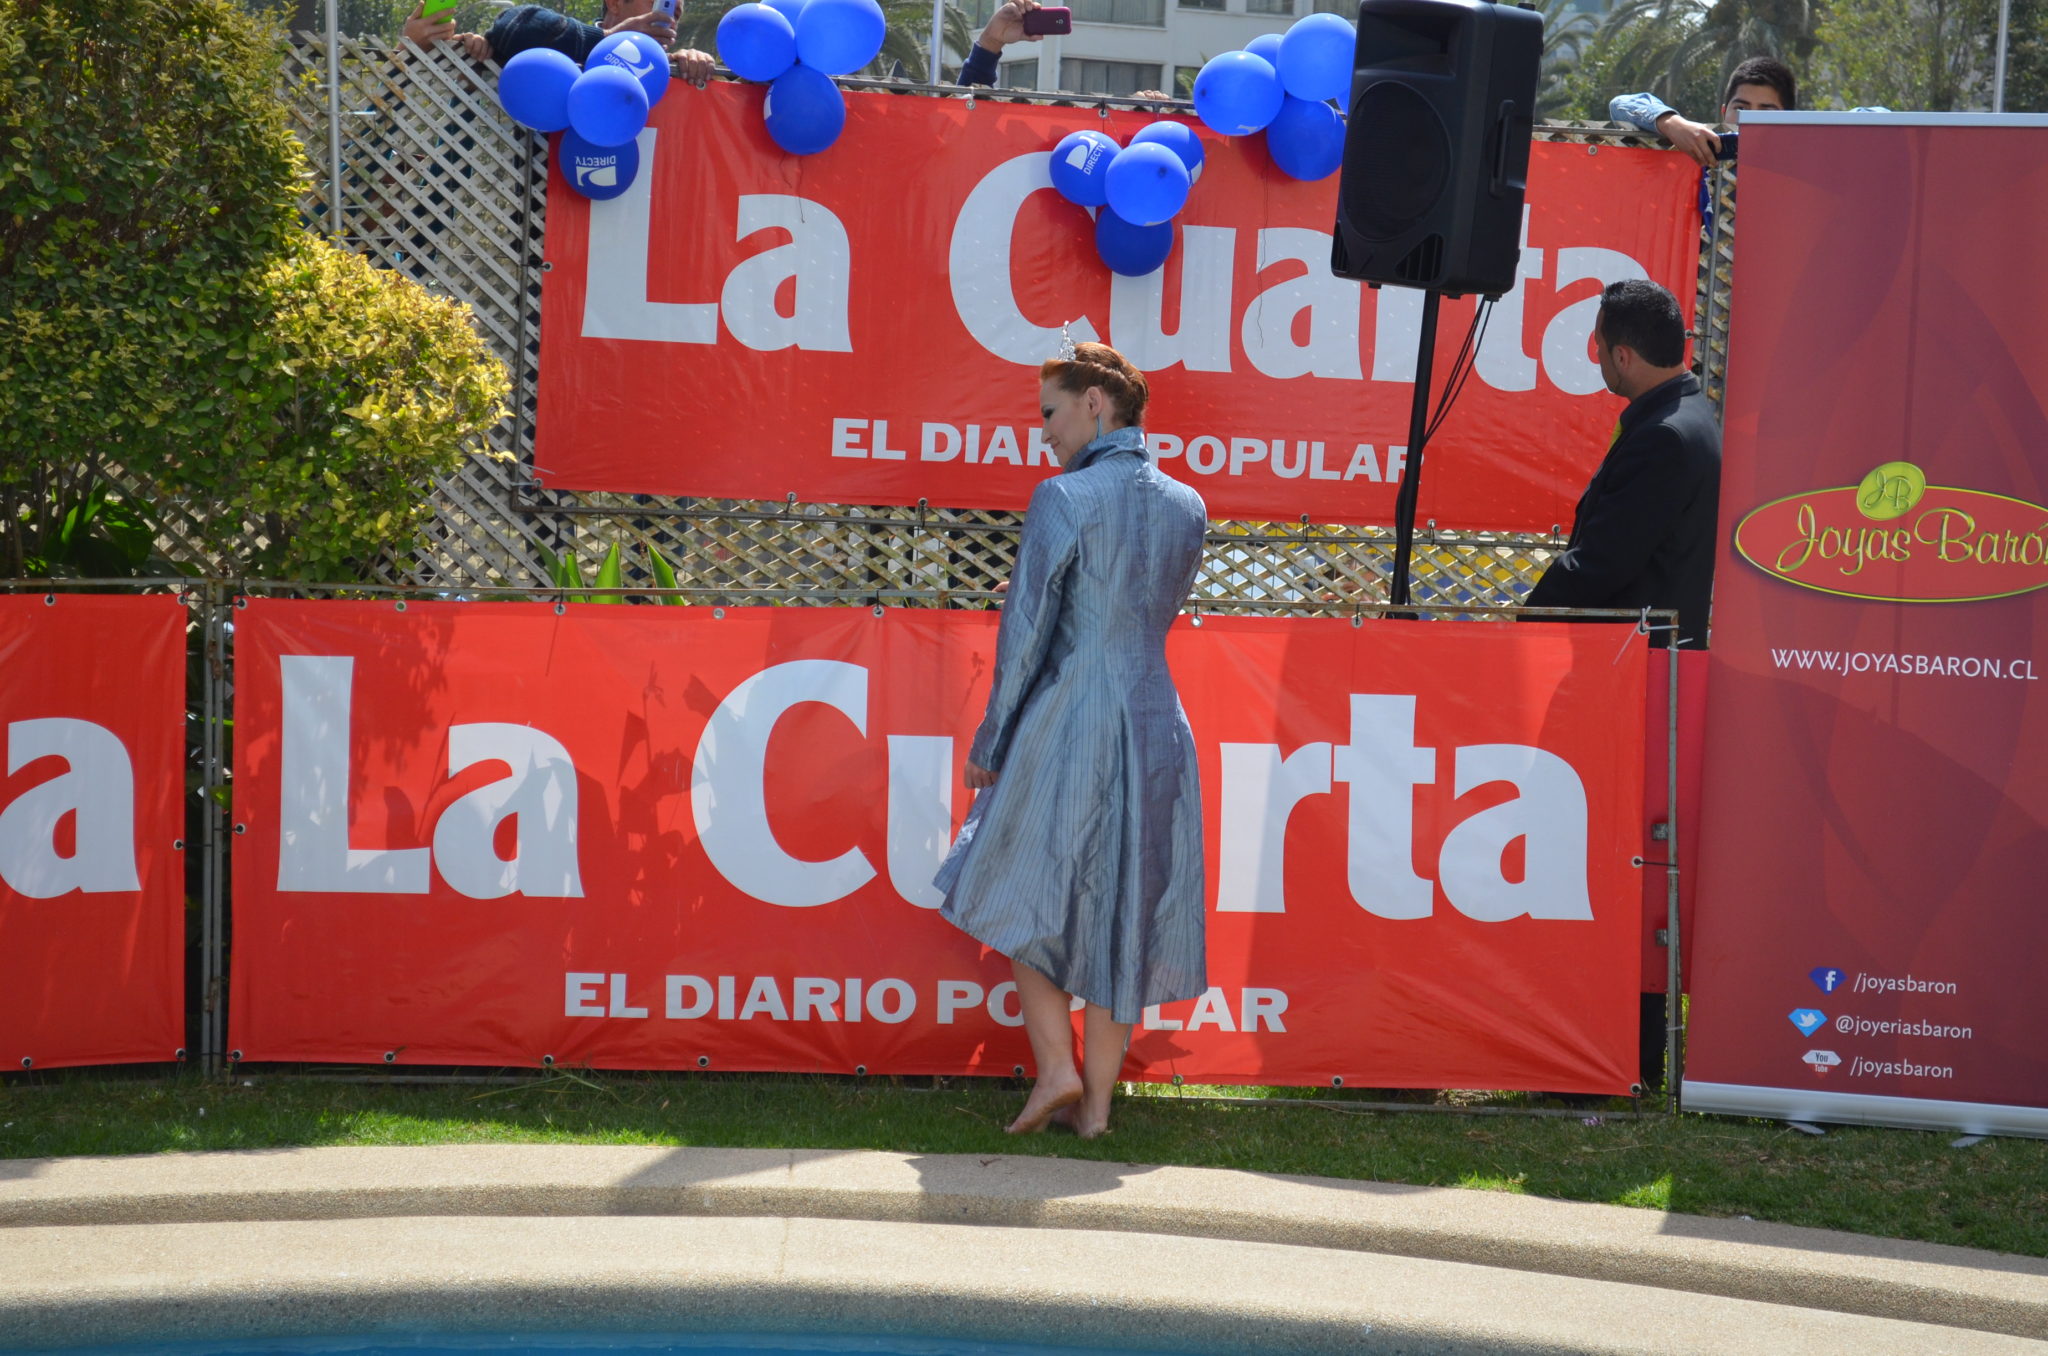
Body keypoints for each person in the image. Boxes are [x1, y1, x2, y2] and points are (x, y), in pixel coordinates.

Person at [934, 341, 1208, 1140]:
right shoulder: (1188, 505)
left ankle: (1056, 1066)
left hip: (1073, 712)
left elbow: (1025, 634)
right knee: (1127, 904)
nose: (1043, 433)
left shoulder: (1062, 497)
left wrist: (992, 738)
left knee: (1018, 885)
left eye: (1049, 412)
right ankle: (1095, 1112)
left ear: (1097, 402)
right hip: (1158, 718)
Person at [1523, 278, 1720, 649]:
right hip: (1646, 657)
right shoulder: (1688, 414)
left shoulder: (1665, 437)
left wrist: (1525, 623)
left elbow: (1604, 562)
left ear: (1622, 357)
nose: (1597, 356)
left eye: (1599, 347)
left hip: (1634, 664)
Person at [402, 0, 716, 88]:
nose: (668, 20)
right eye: (660, 8)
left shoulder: (667, 74)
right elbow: (517, 24)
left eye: (675, 14)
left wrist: (689, 68)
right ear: (615, 4)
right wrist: (609, 42)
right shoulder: (563, 39)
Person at [1609, 55, 1797, 167]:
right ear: (1724, 111)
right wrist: (1671, 124)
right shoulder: (1699, 149)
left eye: (1766, 111)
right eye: (1740, 108)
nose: (1749, 119)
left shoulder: (1800, 166)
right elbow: (1620, 104)